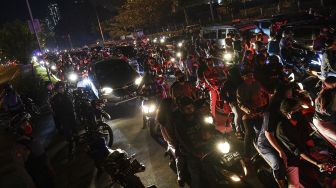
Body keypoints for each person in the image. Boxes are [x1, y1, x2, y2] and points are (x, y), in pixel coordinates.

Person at [277, 98, 330, 188]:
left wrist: (315, 153)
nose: (299, 111)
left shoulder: (301, 120)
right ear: (288, 114)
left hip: (304, 150)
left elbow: (307, 139)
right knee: (294, 185)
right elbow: (298, 151)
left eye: (299, 108)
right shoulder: (282, 129)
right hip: (290, 158)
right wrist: (317, 163)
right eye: (296, 110)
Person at [174, 97, 220, 188]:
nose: (190, 110)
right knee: (196, 176)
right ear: (182, 110)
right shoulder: (179, 123)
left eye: (191, 107)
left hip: (206, 146)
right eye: (187, 108)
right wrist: (194, 152)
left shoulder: (198, 116)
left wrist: (219, 134)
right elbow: (183, 141)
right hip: (192, 151)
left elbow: (208, 126)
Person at [257, 84, 293, 187]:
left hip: (280, 138)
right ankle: (281, 184)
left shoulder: (286, 105)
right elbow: (268, 133)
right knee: (278, 163)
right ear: (283, 95)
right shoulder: (271, 112)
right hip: (267, 143)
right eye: (289, 93)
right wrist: (280, 151)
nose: (291, 95)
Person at [11, 113, 55, 188]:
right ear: (18, 129)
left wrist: (50, 168)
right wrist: (31, 184)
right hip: (38, 180)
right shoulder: (18, 147)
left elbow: (43, 155)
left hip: (46, 175)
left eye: (27, 122)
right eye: (24, 124)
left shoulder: (33, 139)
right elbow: (21, 170)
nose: (27, 125)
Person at [237, 69, 269, 159]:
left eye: (252, 75)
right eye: (249, 76)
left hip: (259, 111)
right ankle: (247, 155)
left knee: (266, 128)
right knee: (249, 132)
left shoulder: (257, 84)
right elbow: (241, 104)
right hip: (248, 114)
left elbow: (265, 93)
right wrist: (249, 111)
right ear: (244, 78)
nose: (251, 77)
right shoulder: (240, 89)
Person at [156, 98, 185, 186]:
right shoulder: (164, 120)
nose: (175, 105)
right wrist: (177, 144)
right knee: (180, 157)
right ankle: (180, 176)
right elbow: (169, 136)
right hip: (173, 140)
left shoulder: (177, 113)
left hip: (182, 136)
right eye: (173, 104)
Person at [50, 81, 78, 161]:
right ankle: (71, 148)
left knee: (74, 128)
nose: (62, 89)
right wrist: (59, 124)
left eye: (62, 87)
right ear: (57, 89)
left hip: (71, 115)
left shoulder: (67, 94)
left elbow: (72, 103)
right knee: (68, 133)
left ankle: (77, 141)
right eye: (60, 88)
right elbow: (56, 111)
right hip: (64, 117)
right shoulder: (55, 98)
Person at [313, 76, 336, 148]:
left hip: (330, 119)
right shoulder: (323, 96)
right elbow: (329, 112)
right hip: (322, 122)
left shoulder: (331, 91)